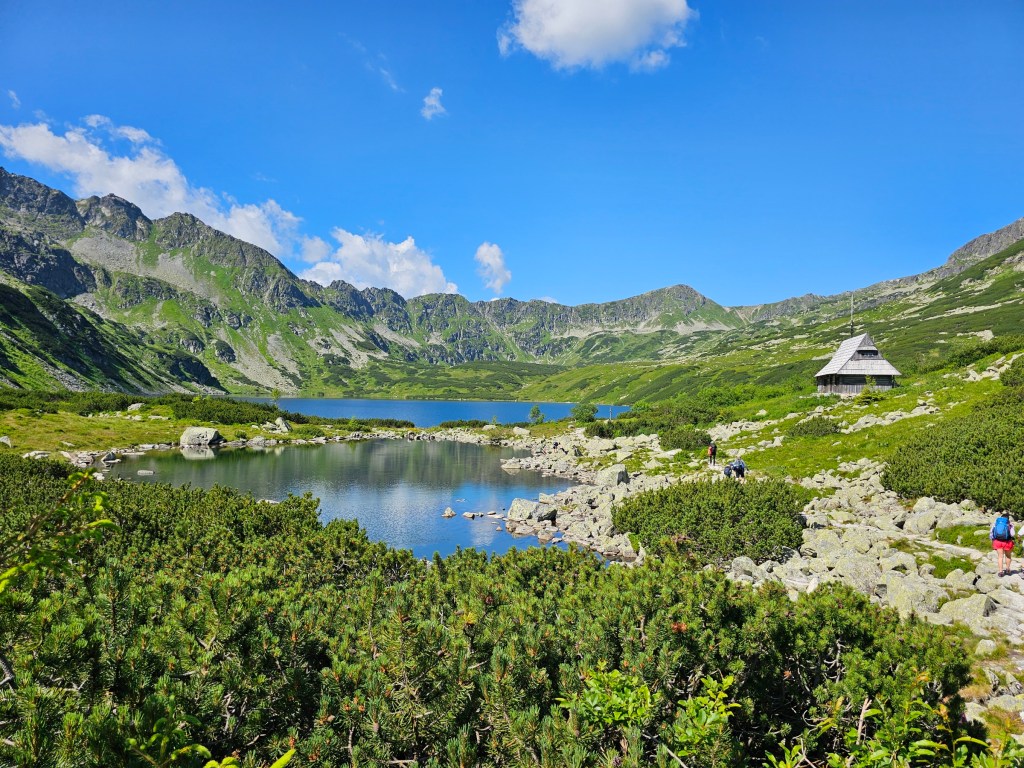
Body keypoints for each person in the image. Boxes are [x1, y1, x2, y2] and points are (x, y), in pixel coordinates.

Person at [991, 512, 1016, 576]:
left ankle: (1000, 571)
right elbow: (1013, 534)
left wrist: (993, 540)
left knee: (1000, 557)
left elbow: (991, 534)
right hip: (1007, 542)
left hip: (998, 542)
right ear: (1008, 519)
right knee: (1008, 556)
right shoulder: (1010, 524)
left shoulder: (996, 523)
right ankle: (1007, 569)